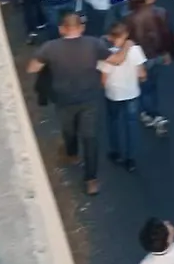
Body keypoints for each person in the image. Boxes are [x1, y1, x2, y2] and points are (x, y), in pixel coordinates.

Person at [26, 12, 131, 196]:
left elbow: (32, 68)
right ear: (81, 28)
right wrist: (127, 46)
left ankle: (72, 155)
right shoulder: (93, 44)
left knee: (69, 130)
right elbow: (117, 60)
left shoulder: (50, 47)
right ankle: (91, 180)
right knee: (90, 138)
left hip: (64, 99)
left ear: (61, 29)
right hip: (89, 98)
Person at [98, 22, 147, 173]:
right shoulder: (135, 50)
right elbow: (142, 74)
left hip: (113, 94)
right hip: (131, 93)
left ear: (111, 36)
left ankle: (116, 152)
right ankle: (130, 159)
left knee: (114, 122)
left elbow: (103, 80)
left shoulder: (105, 53)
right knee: (131, 124)